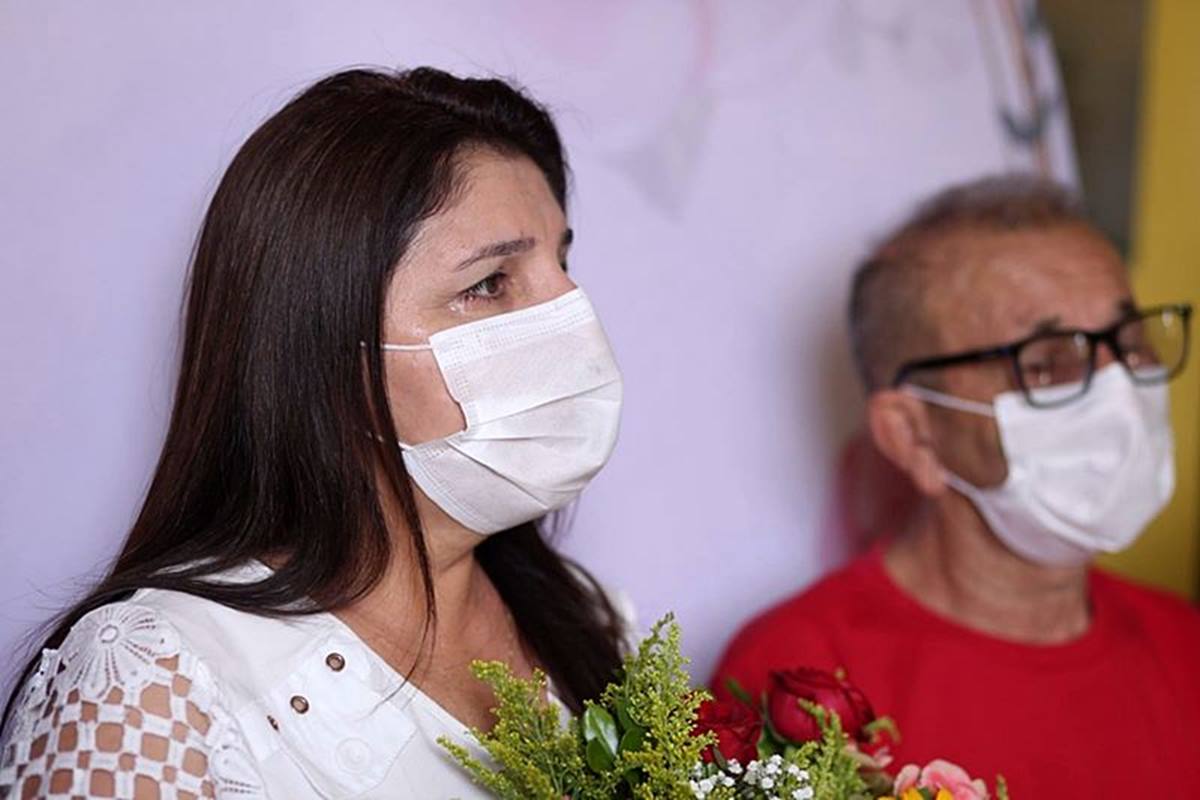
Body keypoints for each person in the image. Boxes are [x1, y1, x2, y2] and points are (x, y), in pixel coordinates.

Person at [0, 67, 629, 798]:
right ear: (323, 348)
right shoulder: (148, 687)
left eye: (562, 263)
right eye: (489, 284)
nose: (573, 317)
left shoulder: (585, 616)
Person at [711, 174, 1200, 796]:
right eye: (1048, 362)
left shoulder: (1185, 645)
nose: (1119, 392)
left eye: (1130, 344)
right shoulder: (798, 687)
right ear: (913, 434)